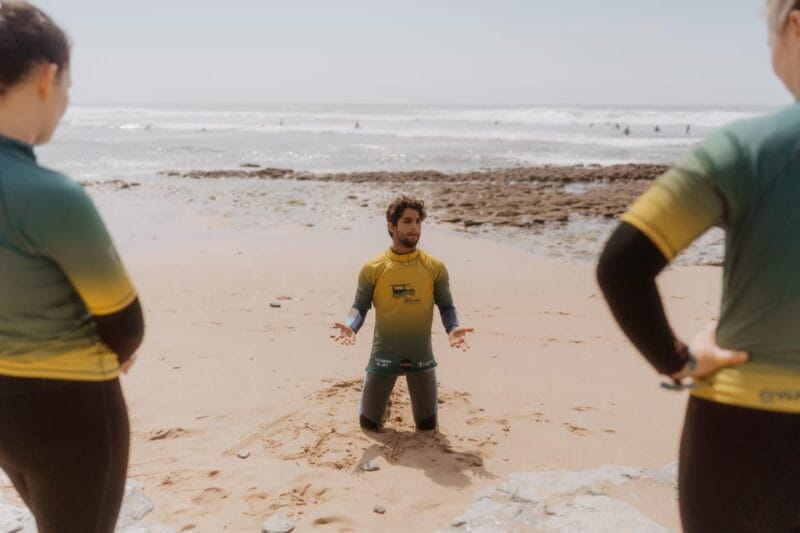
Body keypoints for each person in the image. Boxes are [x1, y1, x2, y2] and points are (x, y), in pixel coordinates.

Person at [596, 1, 800, 530]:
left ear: (796, 24)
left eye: (769, 38)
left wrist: (678, 361)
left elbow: (622, 265)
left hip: (743, 431)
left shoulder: (745, 150)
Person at [0, 3, 144, 531]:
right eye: (68, 86)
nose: (64, 103)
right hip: (70, 410)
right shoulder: (52, 196)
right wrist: (118, 355)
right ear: (45, 77)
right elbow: (125, 323)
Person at [333, 195, 473, 431]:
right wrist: (351, 325)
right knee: (368, 424)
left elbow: (446, 305)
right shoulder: (373, 268)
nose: (414, 228)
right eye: (407, 221)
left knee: (427, 426)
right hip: (384, 354)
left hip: (421, 356)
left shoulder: (434, 267)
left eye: (418, 221)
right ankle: (385, 400)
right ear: (391, 226)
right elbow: (361, 305)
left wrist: (452, 329)